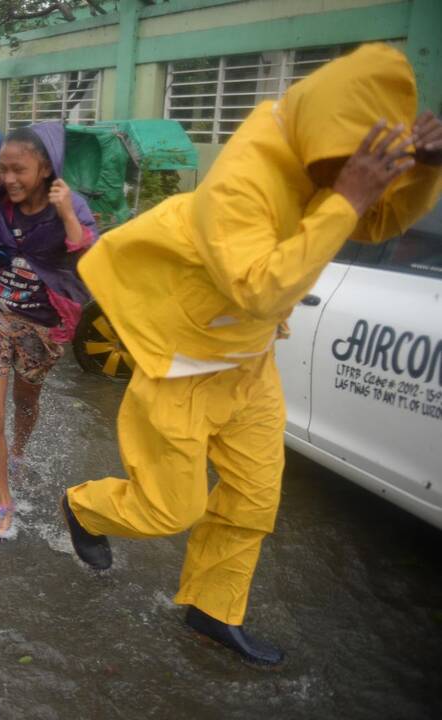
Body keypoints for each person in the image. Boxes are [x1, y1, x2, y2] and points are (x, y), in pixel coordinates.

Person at [60, 44, 442, 665]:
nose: (356, 184)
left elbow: (374, 223)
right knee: (170, 508)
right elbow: (260, 288)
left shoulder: (324, 155)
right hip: (183, 359)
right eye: (352, 170)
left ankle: (212, 610)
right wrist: (346, 196)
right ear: (325, 142)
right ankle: (84, 507)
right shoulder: (243, 179)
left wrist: (421, 169)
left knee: (255, 496)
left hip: (248, 360)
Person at [0, 123, 98, 538]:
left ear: (46, 169)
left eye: (21, 170)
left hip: (44, 323)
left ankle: (17, 452)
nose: (11, 179)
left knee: (26, 401)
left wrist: (68, 213)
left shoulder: (70, 205)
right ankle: (3, 498)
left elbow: (90, 260)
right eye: (5, 169)